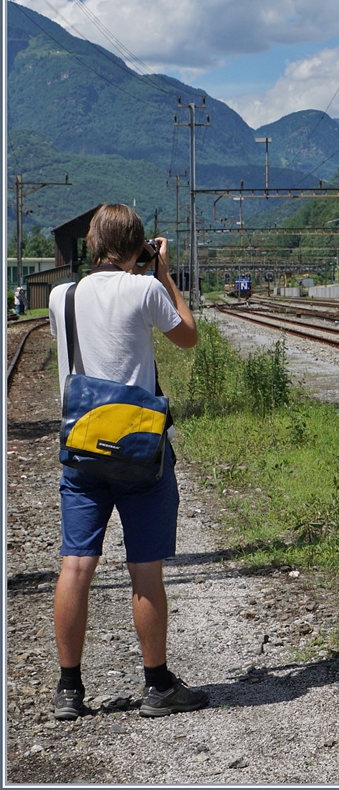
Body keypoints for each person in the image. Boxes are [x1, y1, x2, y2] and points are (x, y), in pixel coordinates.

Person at [47, 204, 204, 721]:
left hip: (83, 448)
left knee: (76, 565)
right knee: (144, 569)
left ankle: (69, 690)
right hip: (140, 451)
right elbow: (187, 334)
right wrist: (163, 273)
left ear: (92, 243)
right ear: (139, 245)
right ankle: (156, 685)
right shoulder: (146, 289)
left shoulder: (60, 295)